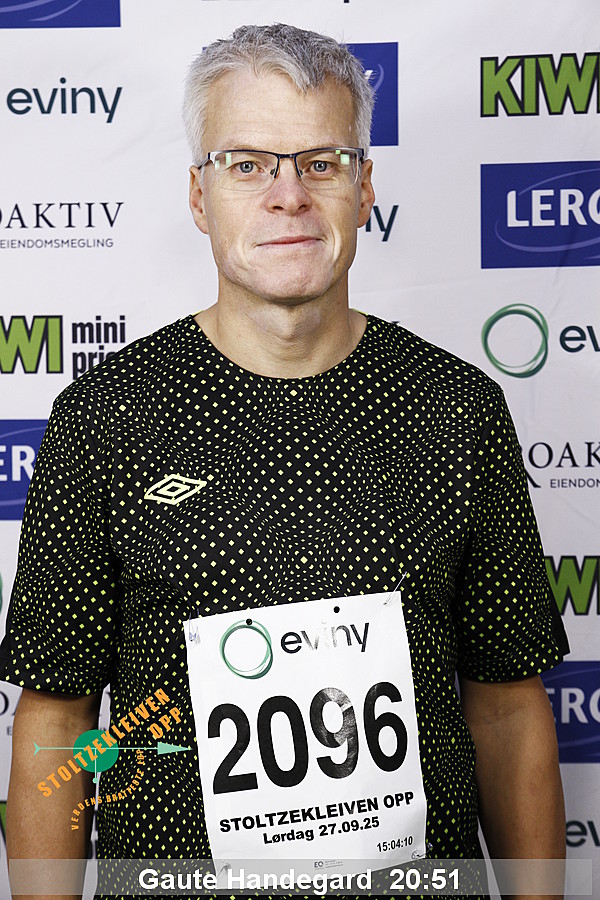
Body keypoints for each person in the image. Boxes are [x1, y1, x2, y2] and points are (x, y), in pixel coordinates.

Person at [1, 22, 568, 900]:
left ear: (364, 188)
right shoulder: (106, 418)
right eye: (247, 165)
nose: (288, 196)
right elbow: (56, 718)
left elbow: (505, 706)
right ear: (199, 196)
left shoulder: (459, 409)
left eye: (321, 163)